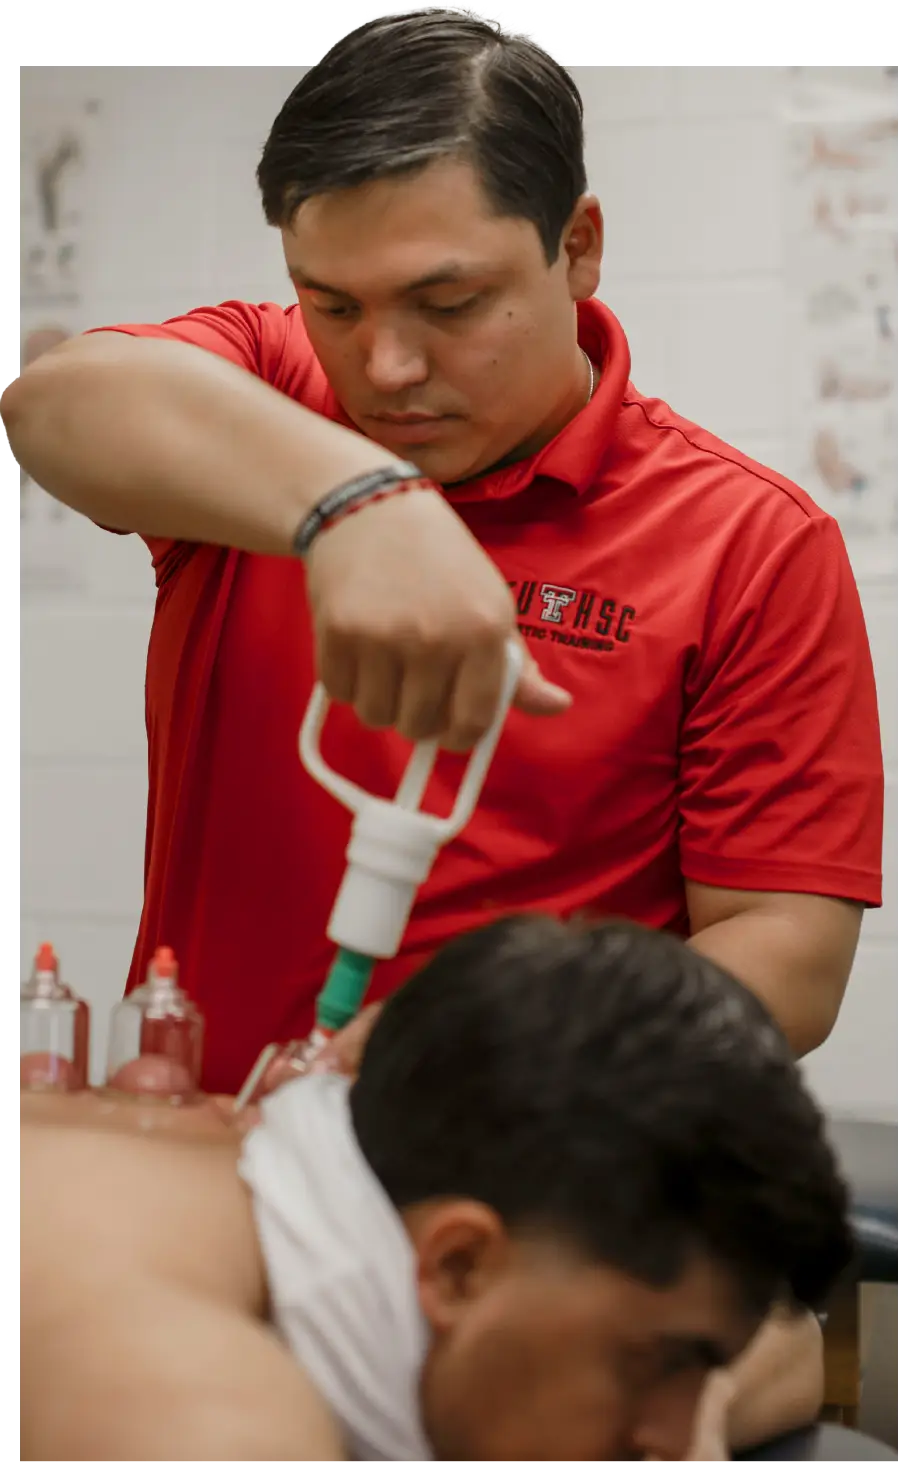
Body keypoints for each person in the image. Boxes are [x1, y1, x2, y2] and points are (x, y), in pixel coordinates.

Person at [3, 14, 883, 1094]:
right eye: (332, 302)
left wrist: (500, 1058)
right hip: (209, 1155)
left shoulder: (748, 540)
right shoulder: (268, 400)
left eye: (449, 302)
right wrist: (357, 502)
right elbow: (52, 406)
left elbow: (786, 961)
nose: (386, 365)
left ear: (578, 245)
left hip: (529, 1182)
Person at [20, 917, 851, 1462]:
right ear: (455, 1267)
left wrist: (687, 1403)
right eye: (657, 1364)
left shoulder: (328, 1199)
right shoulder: (196, 1406)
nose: (670, 1436)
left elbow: (788, 1344)